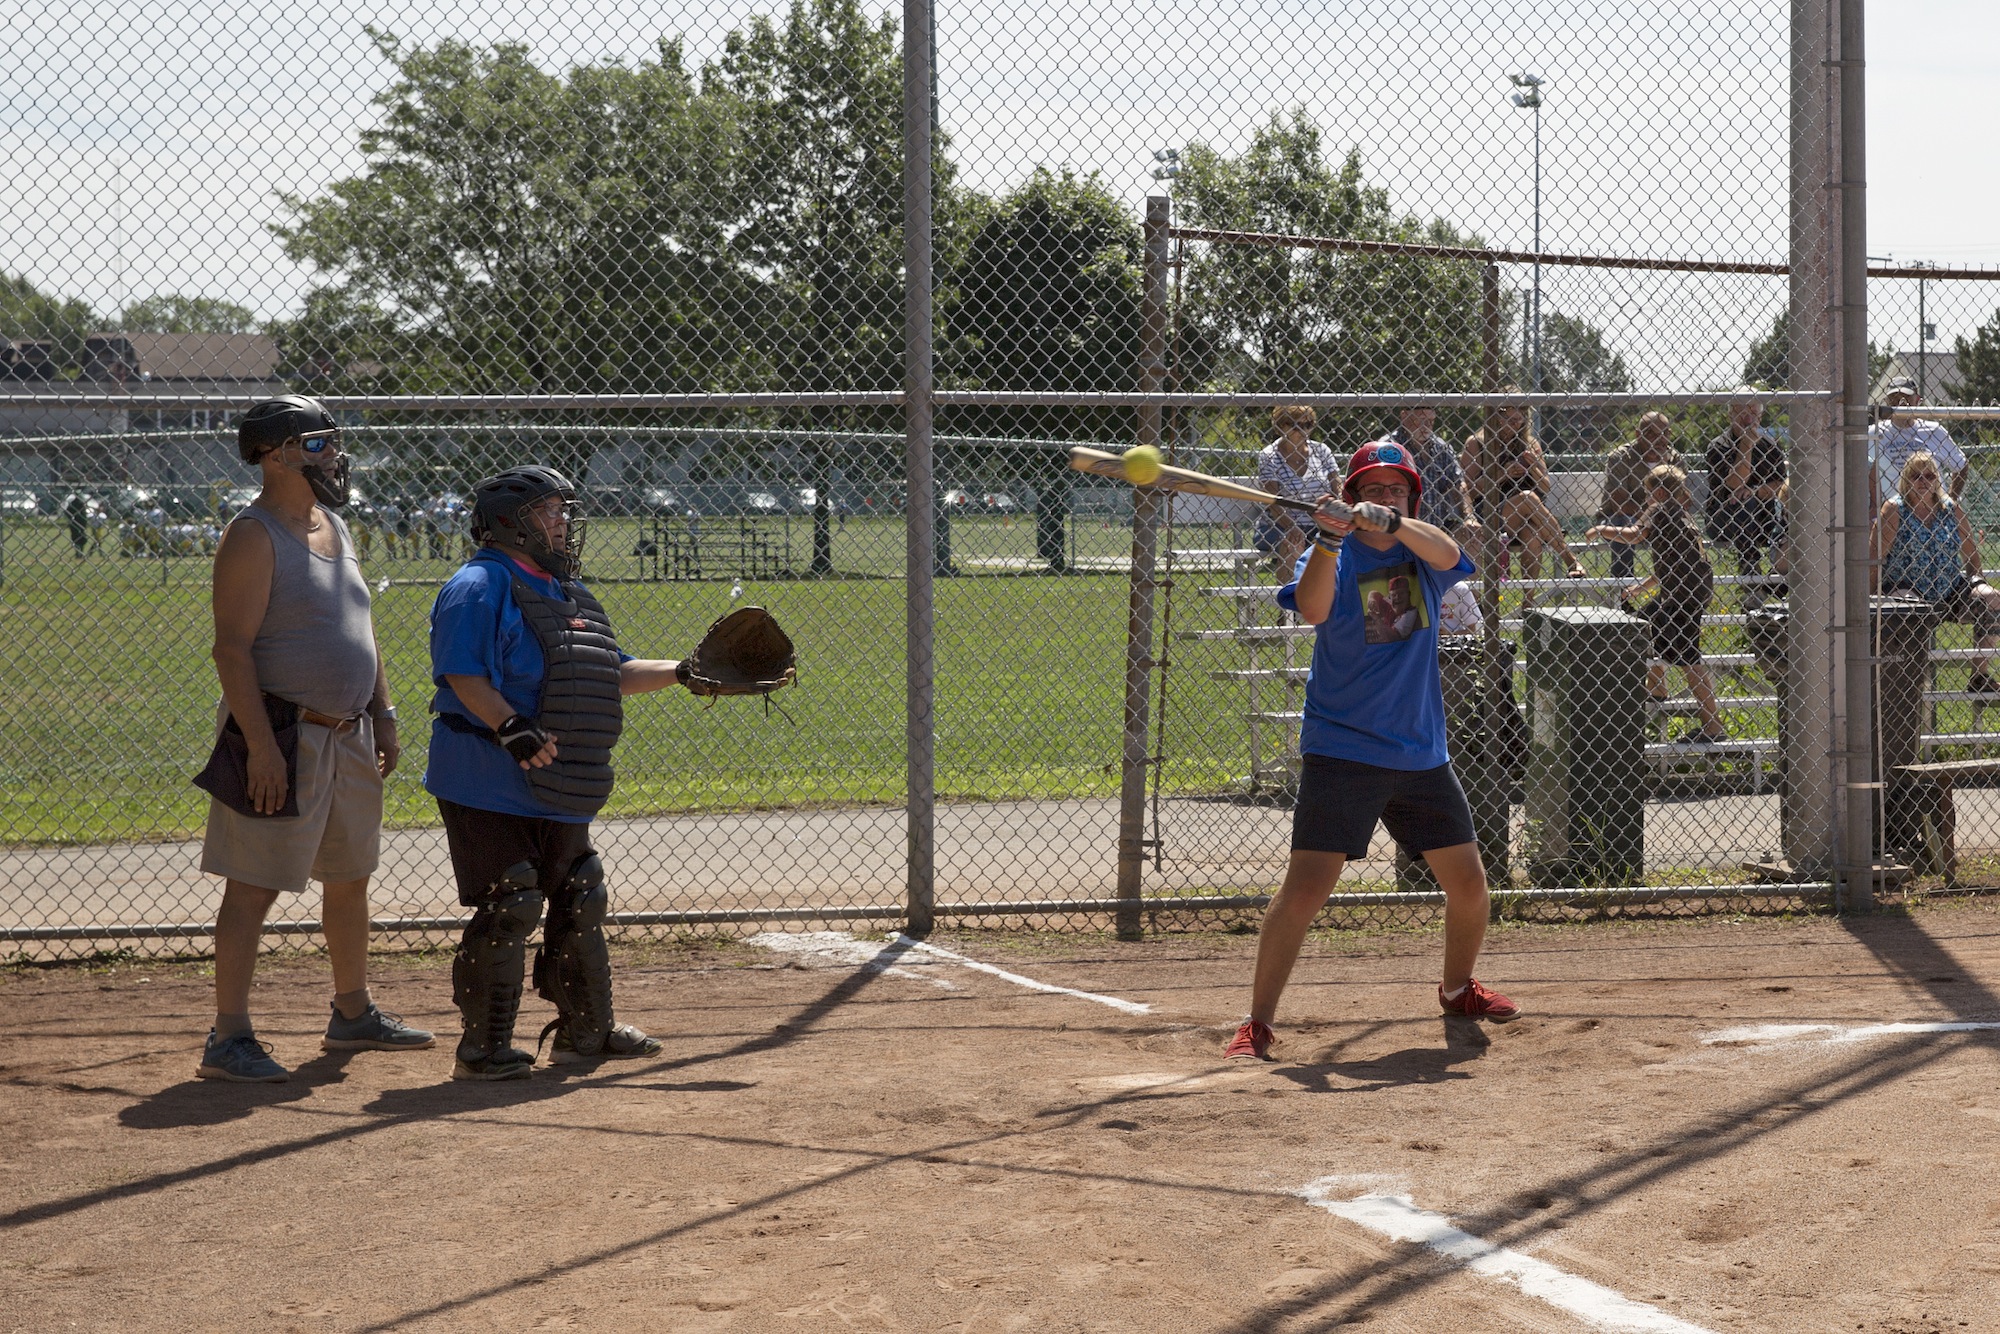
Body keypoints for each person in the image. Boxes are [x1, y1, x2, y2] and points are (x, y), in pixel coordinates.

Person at [1225, 440, 1519, 1062]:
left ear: (1411, 498)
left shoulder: (1424, 555)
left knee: (1469, 886)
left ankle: (1457, 989)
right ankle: (1258, 1022)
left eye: (1396, 490)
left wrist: (1394, 523)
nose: (1384, 498)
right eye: (1372, 490)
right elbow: (1312, 608)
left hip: (1419, 752)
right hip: (1344, 748)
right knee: (1305, 890)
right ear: (1351, 497)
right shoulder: (1327, 551)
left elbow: (1452, 551)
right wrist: (1330, 539)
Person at [196, 395, 433, 1082]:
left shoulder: (332, 523)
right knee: (254, 886)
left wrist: (383, 712)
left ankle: (352, 1015)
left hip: (349, 733)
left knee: (351, 877)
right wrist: (262, 747)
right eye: (320, 443)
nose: (337, 454)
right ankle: (229, 1035)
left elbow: (361, 628)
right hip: (283, 733)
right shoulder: (253, 533)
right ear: (277, 455)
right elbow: (232, 651)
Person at [428, 464, 691, 1080]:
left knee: (579, 892)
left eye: (562, 511)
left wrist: (686, 672)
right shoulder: (478, 585)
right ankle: (483, 1047)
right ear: (509, 525)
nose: (562, 523)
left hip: (559, 777)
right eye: (548, 512)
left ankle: (586, 1033)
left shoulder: (566, 592)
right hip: (486, 776)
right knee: (512, 900)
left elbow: (613, 673)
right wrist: (511, 727)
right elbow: (463, 674)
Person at [1588, 465, 1726, 744]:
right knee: (1642, 625)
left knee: (1690, 661)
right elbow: (1671, 565)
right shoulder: (1682, 514)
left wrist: (1601, 529)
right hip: (1687, 592)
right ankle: (1658, 687)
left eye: (1649, 492)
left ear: (1660, 492)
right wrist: (1641, 588)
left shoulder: (1661, 510)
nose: (1646, 498)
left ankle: (1713, 726)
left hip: (1682, 597)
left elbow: (1634, 536)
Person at [1870, 451, 2000, 695]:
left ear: (1937, 479)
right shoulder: (1894, 509)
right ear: (1906, 480)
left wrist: (1977, 584)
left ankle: (1979, 676)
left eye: (1929, 475)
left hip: (1948, 588)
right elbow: (1874, 558)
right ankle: (1906, 684)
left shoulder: (1951, 509)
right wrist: (1870, 597)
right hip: (1905, 586)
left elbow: (1971, 555)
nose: (1923, 481)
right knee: (1906, 606)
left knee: (1994, 598)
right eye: (1915, 476)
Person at [1462, 393, 1587, 585]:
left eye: (1520, 420)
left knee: (1533, 536)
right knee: (1527, 497)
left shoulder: (1530, 443)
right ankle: (1571, 560)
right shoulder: (1476, 443)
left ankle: (1527, 607)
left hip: (1528, 517)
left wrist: (1533, 467)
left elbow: (1545, 487)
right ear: (1496, 416)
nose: (1516, 425)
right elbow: (1468, 491)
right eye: (1511, 420)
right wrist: (1502, 474)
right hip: (1490, 514)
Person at [1392, 403, 1489, 570]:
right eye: (1420, 421)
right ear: (1404, 416)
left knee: (1472, 534)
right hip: (1403, 526)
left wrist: (1469, 517)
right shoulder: (1390, 448)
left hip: (1439, 526)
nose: (1426, 427)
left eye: (1431, 421)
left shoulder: (1440, 447)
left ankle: (1471, 595)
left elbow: (1458, 484)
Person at [1702, 388, 1786, 580]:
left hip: (1764, 518)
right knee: (1740, 502)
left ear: (1761, 415)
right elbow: (1733, 485)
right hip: (1723, 518)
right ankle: (1750, 565)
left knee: (1757, 503)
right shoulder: (1718, 445)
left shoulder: (1770, 445)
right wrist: (1746, 445)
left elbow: (1781, 485)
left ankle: (1774, 583)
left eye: (1754, 413)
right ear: (1731, 414)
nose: (1748, 420)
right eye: (1743, 413)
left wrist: (1755, 491)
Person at [1255, 405, 1340, 575]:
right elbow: (1272, 501)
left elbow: (1337, 487)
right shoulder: (1269, 455)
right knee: (1293, 540)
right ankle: (1290, 597)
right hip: (1279, 524)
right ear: (1279, 427)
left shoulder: (1321, 451)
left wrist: (1336, 514)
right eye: (1293, 424)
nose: (1301, 430)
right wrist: (1291, 526)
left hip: (1318, 522)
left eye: (1307, 424)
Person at [1596, 412, 1680, 582]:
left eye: (1665, 433)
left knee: (1681, 525)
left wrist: (1665, 469)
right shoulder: (1621, 457)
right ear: (1638, 434)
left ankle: (1677, 587)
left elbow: (1683, 501)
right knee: (1624, 522)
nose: (1659, 439)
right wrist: (1654, 513)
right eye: (1651, 433)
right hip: (1622, 518)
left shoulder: (1673, 458)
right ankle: (1622, 590)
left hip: (1662, 519)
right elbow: (1620, 504)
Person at [1869, 376, 1968, 511]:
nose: (1901, 403)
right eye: (1895, 399)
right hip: (1894, 512)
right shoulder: (1875, 433)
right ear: (1887, 401)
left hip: (1932, 510)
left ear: (1917, 400)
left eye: (1906, 398)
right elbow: (1865, 471)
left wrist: (1951, 498)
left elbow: (1961, 465)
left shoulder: (1933, 431)